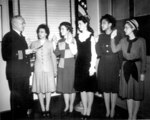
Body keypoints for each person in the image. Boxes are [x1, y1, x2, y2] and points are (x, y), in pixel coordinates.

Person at [111, 19, 146, 120]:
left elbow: (143, 57)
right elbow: (114, 50)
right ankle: (130, 115)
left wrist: (143, 72)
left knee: (137, 93)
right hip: (125, 68)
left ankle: (134, 116)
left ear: (133, 28)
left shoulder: (141, 41)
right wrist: (112, 38)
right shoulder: (123, 41)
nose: (124, 29)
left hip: (137, 69)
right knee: (128, 94)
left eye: (126, 27)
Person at [1, 15, 34, 119]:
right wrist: (25, 52)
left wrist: (29, 48)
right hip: (15, 74)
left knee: (24, 97)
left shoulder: (22, 37)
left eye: (24, 22)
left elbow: (25, 55)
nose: (24, 25)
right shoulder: (8, 36)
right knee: (16, 99)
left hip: (24, 73)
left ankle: (23, 116)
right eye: (22, 23)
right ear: (14, 24)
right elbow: (6, 55)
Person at [96, 14, 122, 118]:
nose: (101, 25)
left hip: (115, 64)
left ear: (110, 24)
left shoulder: (118, 35)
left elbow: (120, 52)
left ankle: (113, 110)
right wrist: (96, 43)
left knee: (113, 89)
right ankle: (107, 110)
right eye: (101, 23)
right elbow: (98, 53)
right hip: (104, 64)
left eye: (104, 23)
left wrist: (120, 67)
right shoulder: (101, 36)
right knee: (105, 89)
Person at [31, 24, 57, 117]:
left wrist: (55, 70)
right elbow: (31, 57)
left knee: (48, 89)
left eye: (42, 32)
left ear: (46, 33)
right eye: (39, 32)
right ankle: (42, 109)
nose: (39, 33)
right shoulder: (33, 43)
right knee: (39, 90)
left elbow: (53, 57)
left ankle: (47, 108)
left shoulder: (50, 43)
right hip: (38, 69)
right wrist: (30, 49)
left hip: (49, 69)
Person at [74, 15, 97, 119]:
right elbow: (75, 52)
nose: (79, 26)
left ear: (86, 24)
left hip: (88, 65)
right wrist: (70, 43)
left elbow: (94, 54)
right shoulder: (77, 37)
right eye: (78, 24)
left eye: (80, 24)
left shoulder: (91, 37)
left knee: (89, 89)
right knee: (82, 89)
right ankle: (84, 108)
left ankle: (89, 110)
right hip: (79, 65)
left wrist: (92, 67)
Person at [53, 22, 77, 114]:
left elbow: (75, 53)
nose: (60, 31)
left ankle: (71, 105)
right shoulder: (60, 41)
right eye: (60, 29)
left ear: (68, 30)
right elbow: (56, 53)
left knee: (72, 87)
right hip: (62, 66)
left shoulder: (73, 40)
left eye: (62, 29)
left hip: (71, 66)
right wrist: (54, 43)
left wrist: (70, 41)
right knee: (64, 88)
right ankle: (67, 105)